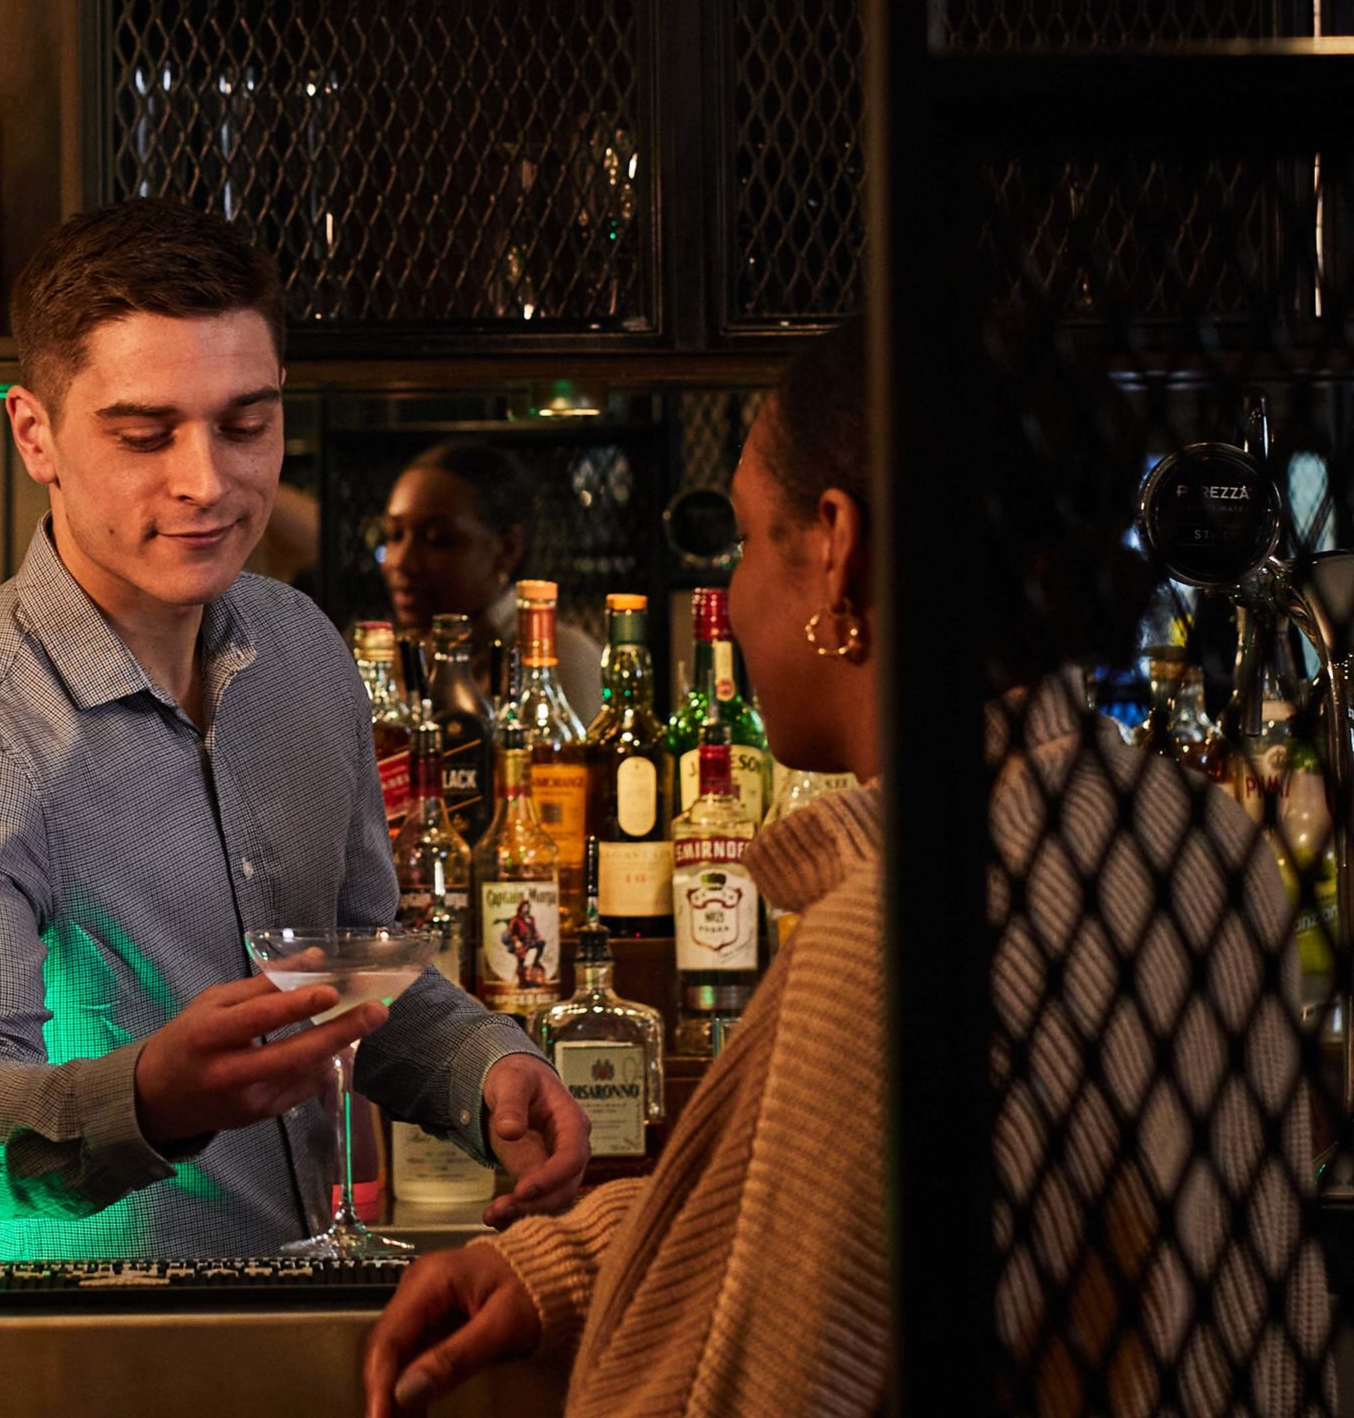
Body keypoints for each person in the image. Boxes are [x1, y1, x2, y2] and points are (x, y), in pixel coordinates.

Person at [361, 321, 1331, 1414]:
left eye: (742, 538)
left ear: (836, 549)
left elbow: (771, 1392)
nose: (733, 586)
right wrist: (558, 1264)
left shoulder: (894, 936)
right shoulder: (1194, 839)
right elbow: (860, 1222)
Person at [0, 199, 592, 1260]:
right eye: (144, 434)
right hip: (85, 1352)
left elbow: (356, 971)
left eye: (246, 426)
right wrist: (151, 1097)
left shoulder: (300, 649)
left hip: (304, 1316)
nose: (207, 481)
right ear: (34, 435)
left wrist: (488, 1069)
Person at [378, 441, 603, 723]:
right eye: (393, 535)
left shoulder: (560, 659)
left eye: (438, 539)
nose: (401, 561)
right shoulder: (391, 661)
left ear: (507, 548)